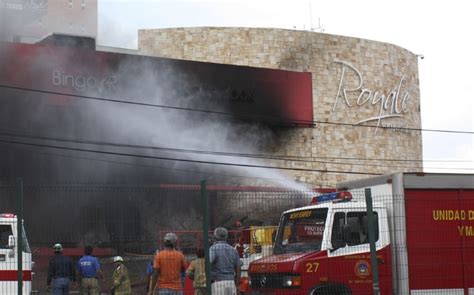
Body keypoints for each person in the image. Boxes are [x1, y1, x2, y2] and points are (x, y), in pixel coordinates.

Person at [209, 227, 241, 295]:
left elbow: (208, 263)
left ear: (215, 237)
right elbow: (238, 269)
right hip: (231, 283)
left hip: (218, 282)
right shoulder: (233, 250)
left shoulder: (213, 249)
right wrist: (237, 285)